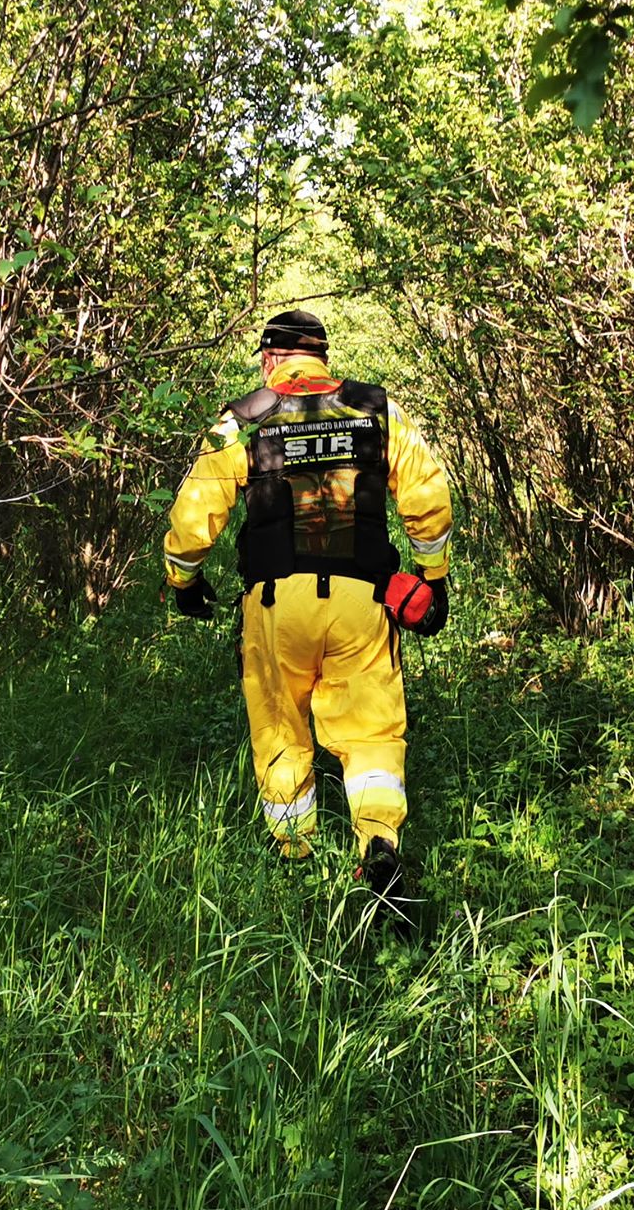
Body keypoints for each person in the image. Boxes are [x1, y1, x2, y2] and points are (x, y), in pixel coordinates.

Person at [162, 309, 453, 917]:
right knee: (370, 732)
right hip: (363, 600)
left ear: (270, 358)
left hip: (276, 602)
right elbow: (428, 497)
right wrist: (432, 579)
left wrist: (183, 581)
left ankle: (295, 858)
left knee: (280, 724)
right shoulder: (378, 411)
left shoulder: (242, 420)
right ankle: (377, 838)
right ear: (322, 355)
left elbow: (195, 516)